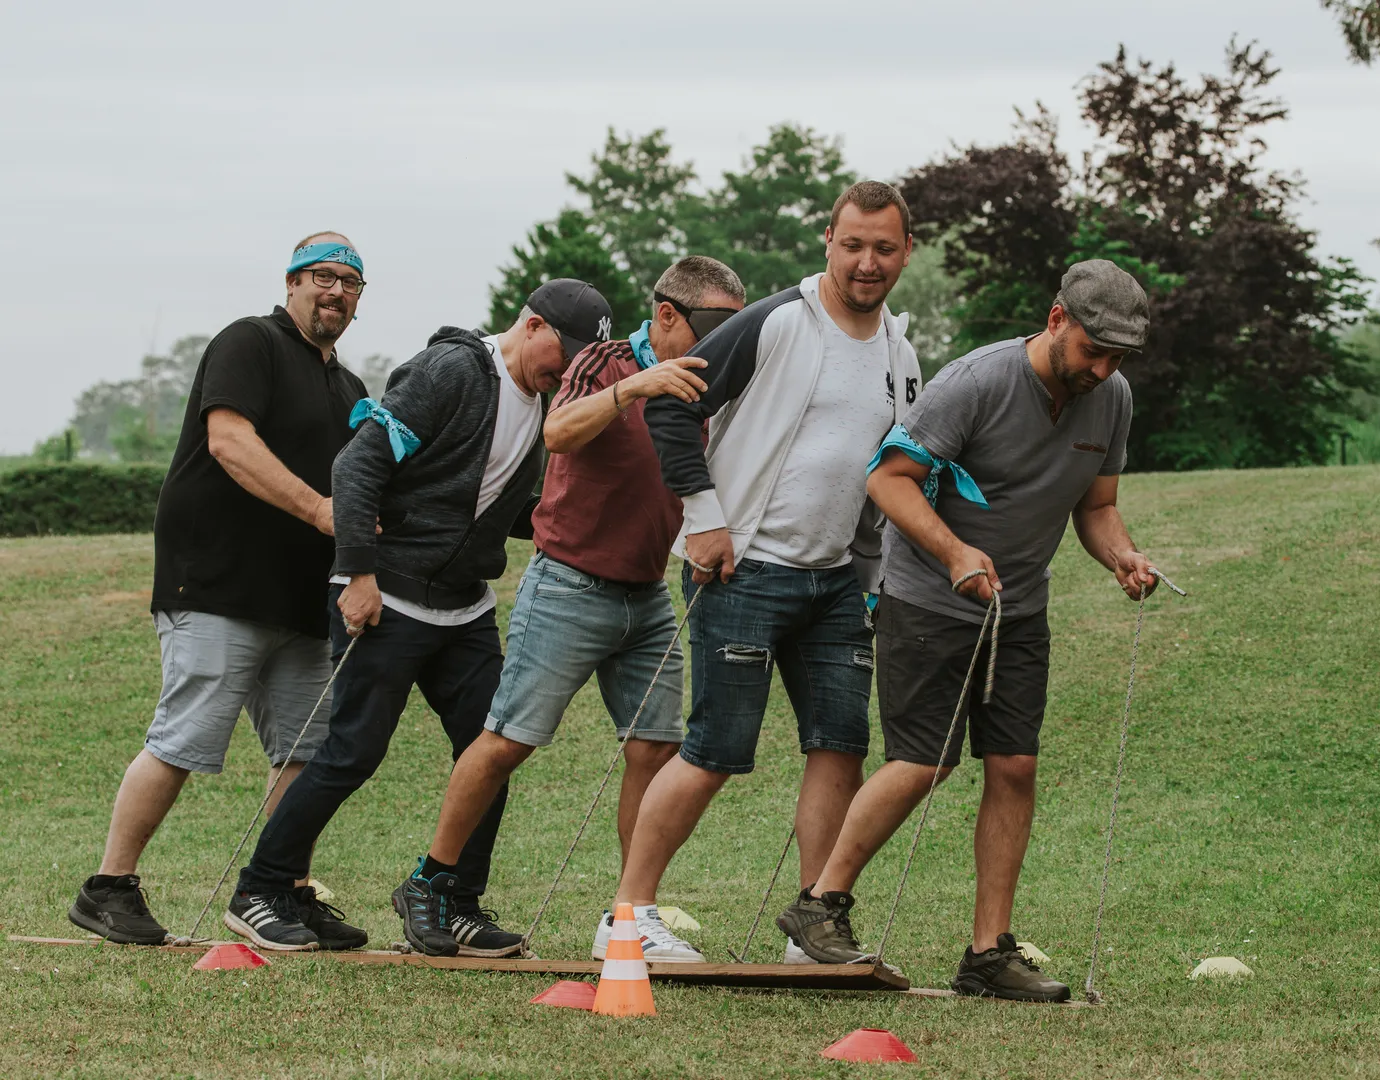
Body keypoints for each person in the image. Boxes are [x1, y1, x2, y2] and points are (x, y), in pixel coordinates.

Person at [777, 260, 1161, 1003]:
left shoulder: (1111, 398)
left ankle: (988, 955)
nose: (1104, 370)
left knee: (1015, 766)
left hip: (1019, 609)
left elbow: (1096, 508)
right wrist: (954, 554)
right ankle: (820, 904)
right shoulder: (976, 382)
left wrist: (1122, 555)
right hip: (928, 601)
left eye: (1119, 357)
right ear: (1056, 319)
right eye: (1094, 351)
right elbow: (887, 479)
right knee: (924, 762)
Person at [225, 280, 613, 953]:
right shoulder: (452, 370)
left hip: (464, 605)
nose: (569, 369)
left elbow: (486, 502)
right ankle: (262, 890)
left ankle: (455, 900)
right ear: (531, 325)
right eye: (566, 352)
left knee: (489, 752)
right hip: (388, 592)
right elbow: (357, 466)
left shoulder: (543, 403)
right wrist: (359, 573)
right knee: (352, 751)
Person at [398, 256, 746, 959]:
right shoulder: (604, 361)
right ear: (668, 314)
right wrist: (635, 386)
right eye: (713, 326)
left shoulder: (708, 384)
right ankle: (428, 882)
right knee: (507, 741)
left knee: (655, 748)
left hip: (648, 594)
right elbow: (558, 432)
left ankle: (631, 914)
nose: (722, 342)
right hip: (568, 586)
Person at [613, 181, 921, 962]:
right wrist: (705, 518)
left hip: (838, 582)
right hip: (743, 569)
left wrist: (876, 576)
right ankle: (628, 916)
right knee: (714, 751)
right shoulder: (778, 321)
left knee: (840, 746)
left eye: (884, 248)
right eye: (854, 245)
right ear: (828, 241)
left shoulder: (902, 353)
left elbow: (889, 467)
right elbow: (670, 405)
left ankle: (814, 924)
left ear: (906, 253)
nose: (868, 262)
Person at [68, 234, 370, 946]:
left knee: (306, 751)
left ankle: (281, 891)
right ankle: (108, 888)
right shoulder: (249, 342)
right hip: (217, 585)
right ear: (292, 283)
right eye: (322, 276)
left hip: (302, 600)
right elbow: (230, 442)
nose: (335, 291)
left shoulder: (350, 389)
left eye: (351, 282)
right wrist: (320, 510)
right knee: (184, 738)